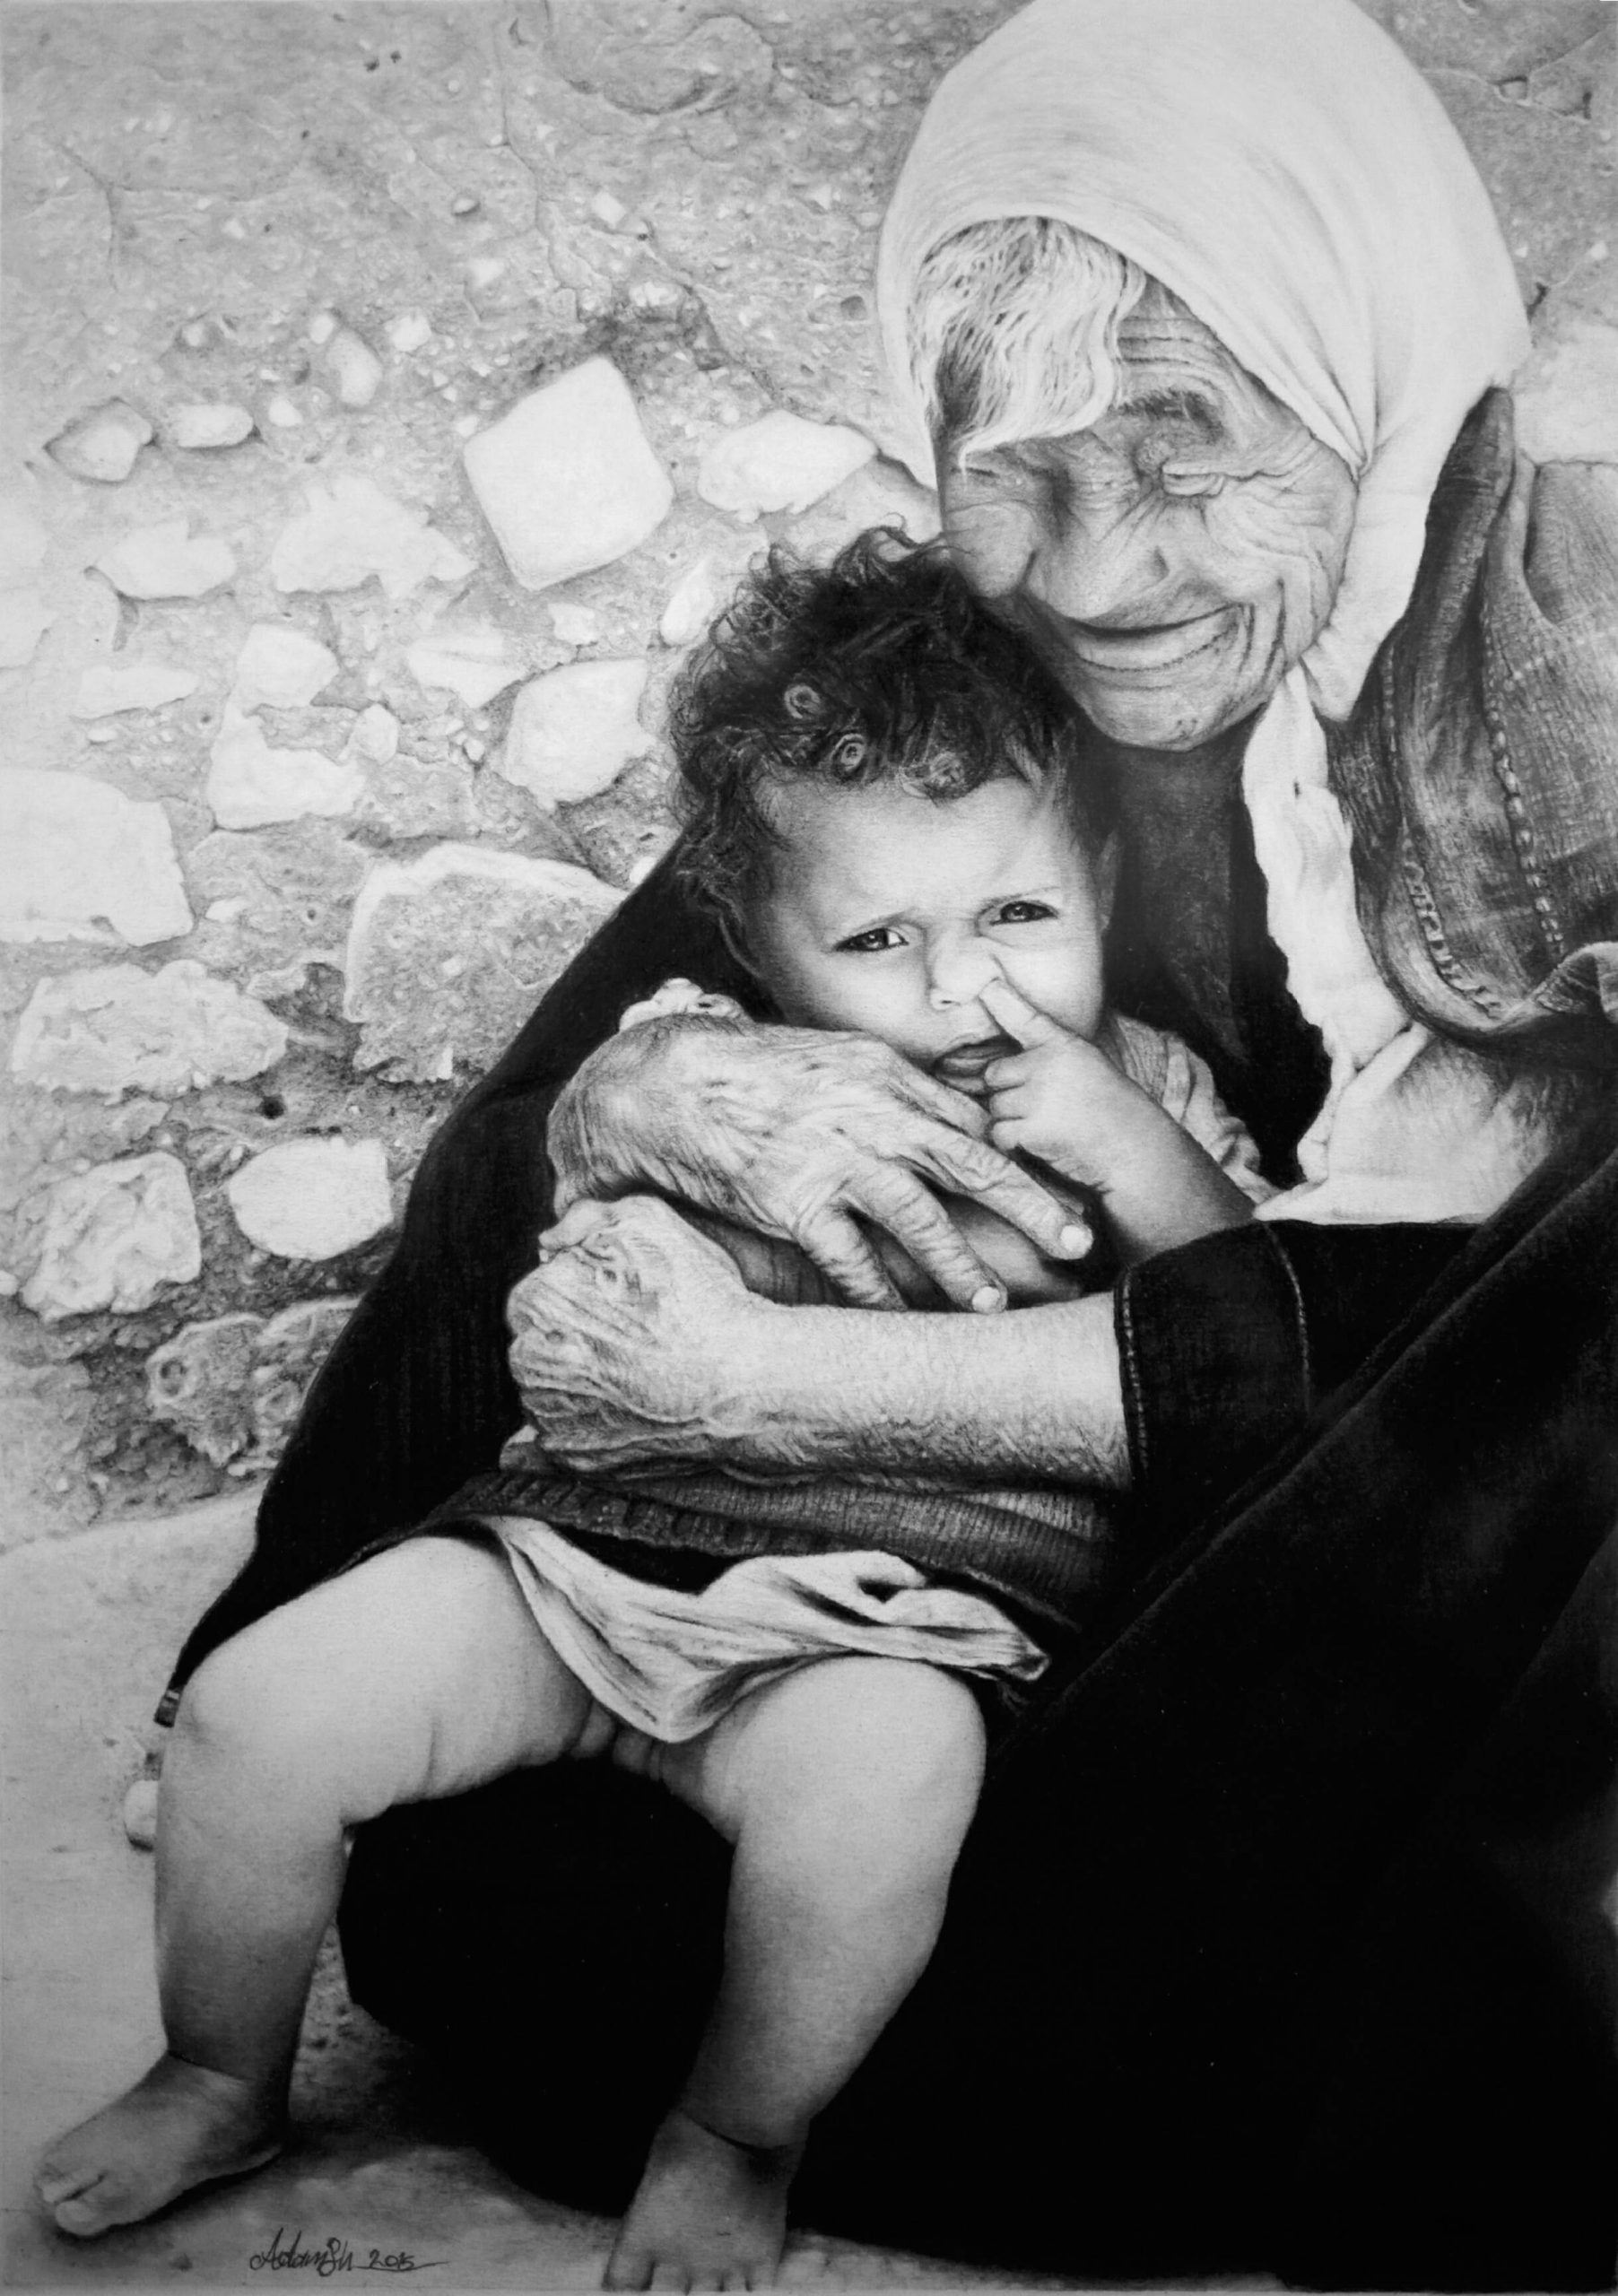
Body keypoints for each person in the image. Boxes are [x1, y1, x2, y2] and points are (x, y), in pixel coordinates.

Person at [92, 0, 1618, 2283]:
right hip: (742, 1603)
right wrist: (635, 1092)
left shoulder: (1547, 689)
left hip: (1301, 1649)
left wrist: (777, 1385)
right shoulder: (1002, 719)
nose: (1094, 571)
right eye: (1019, 469)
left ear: (1366, 365)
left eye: (1191, 449)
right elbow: (585, 1093)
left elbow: (1449, 1401)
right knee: (436, 1874)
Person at [35, 535, 1276, 2285]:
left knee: (883, 1797)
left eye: (1016, 915)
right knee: (259, 1714)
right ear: (759, 946)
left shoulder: (1152, 1087)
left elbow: (1263, 1325)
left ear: (1103, 883)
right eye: (877, 937)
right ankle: (218, 2070)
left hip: (888, 1622)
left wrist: (1134, 1151)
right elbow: (563, 1211)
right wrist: (638, 1102)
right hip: (574, 1560)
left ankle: (732, 2130)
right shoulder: (700, 1049)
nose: (959, 988)